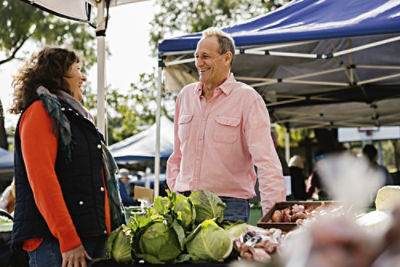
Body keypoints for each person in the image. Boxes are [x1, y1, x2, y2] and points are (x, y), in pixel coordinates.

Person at [9, 47, 125, 267]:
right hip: (58, 247)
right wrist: (69, 241)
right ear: (57, 75)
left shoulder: (73, 116)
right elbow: (43, 182)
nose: (83, 77)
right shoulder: (40, 112)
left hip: (86, 241)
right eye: (77, 69)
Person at [166, 27, 286, 222]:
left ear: (227, 57)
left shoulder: (247, 99)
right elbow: (177, 155)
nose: (198, 63)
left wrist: (273, 217)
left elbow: (267, 162)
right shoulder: (185, 96)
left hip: (228, 208)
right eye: (196, 56)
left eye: (205, 56)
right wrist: (176, 191)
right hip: (185, 206)